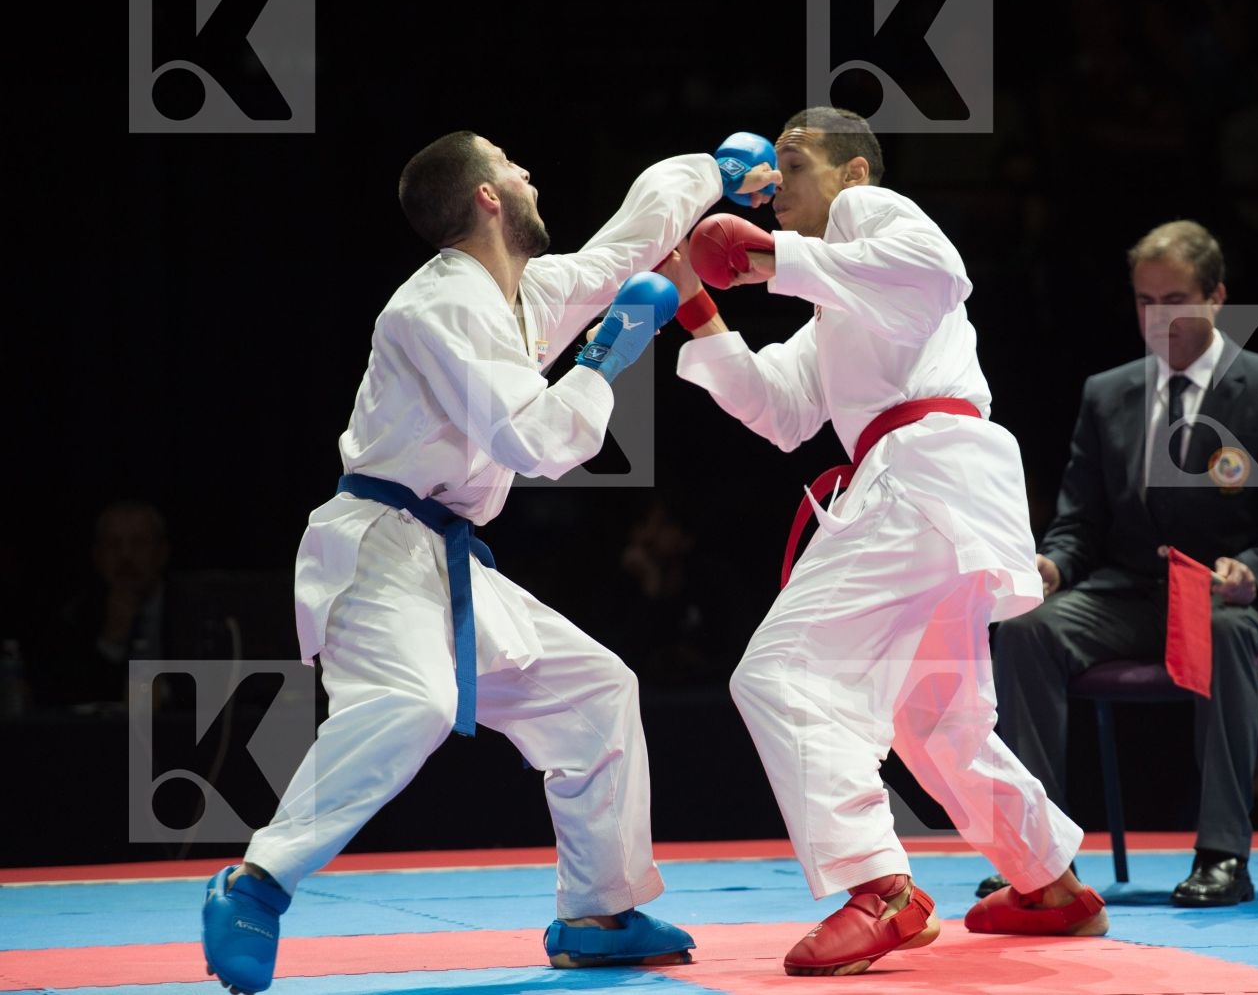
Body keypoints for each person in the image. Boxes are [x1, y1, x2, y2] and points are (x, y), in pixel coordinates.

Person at [200, 131, 775, 994]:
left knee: (595, 691)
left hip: (448, 556)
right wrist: (602, 361)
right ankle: (257, 882)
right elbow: (535, 440)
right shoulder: (433, 307)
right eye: (512, 164)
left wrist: (715, 175)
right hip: (379, 549)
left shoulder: (520, 294)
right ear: (486, 197)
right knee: (413, 701)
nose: (530, 172)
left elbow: (628, 240)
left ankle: (597, 913)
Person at [664, 107, 1107, 979]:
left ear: (853, 174)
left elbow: (935, 274)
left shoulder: (877, 214)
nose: (774, 184)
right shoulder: (836, 304)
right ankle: (1049, 883)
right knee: (933, 716)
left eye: (794, 164)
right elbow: (782, 411)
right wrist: (695, 301)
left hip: (923, 473)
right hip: (936, 484)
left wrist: (765, 258)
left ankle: (880, 888)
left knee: (780, 673)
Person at [989, 219, 1258, 907]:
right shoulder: (1107, 392)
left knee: (1225, 631)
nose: (1159, 317)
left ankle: (1222, 855)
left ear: (1216, 297)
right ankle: (1033, 857)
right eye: (1146, 301)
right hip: (1128, 595)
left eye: (1175, 299)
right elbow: (1080, 520)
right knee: (1026, 630)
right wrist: (1052, 566)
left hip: (1220, 596)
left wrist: (1254, 571)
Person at [32, 500, 171, 710]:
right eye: (113, 545)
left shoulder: (193, 610)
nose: (126, 557)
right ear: (97, 556)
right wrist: (111, 643)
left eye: (139, 543)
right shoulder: (74, 616)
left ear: (162, 552)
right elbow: (69, 699)